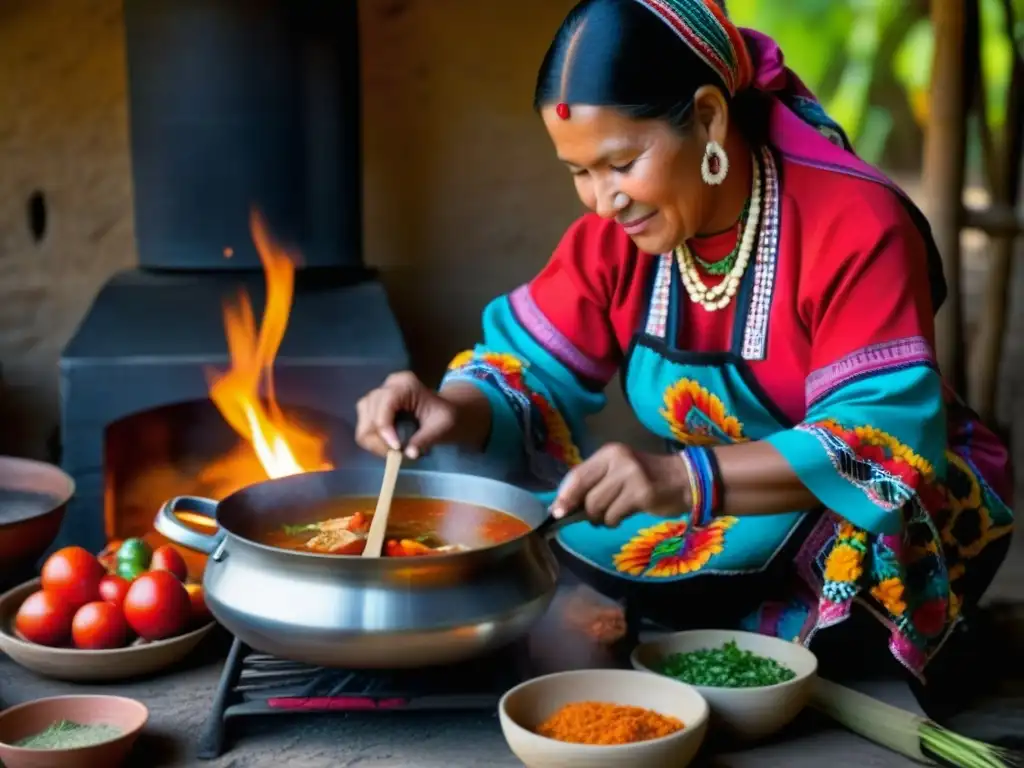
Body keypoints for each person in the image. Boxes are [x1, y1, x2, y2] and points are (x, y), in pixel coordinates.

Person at [354, 0, 1014, 717]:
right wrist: (450, 411)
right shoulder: (614, 237)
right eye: (578, 171)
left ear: (707, 118)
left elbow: (876, 443)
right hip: (715, 510)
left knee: (835, 552)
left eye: (621, 163)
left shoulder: (854, 225)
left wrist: (679, 477)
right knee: (520, 517)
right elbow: (525, 371)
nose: (603, 202)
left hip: (878, 505)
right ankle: (690, 619)